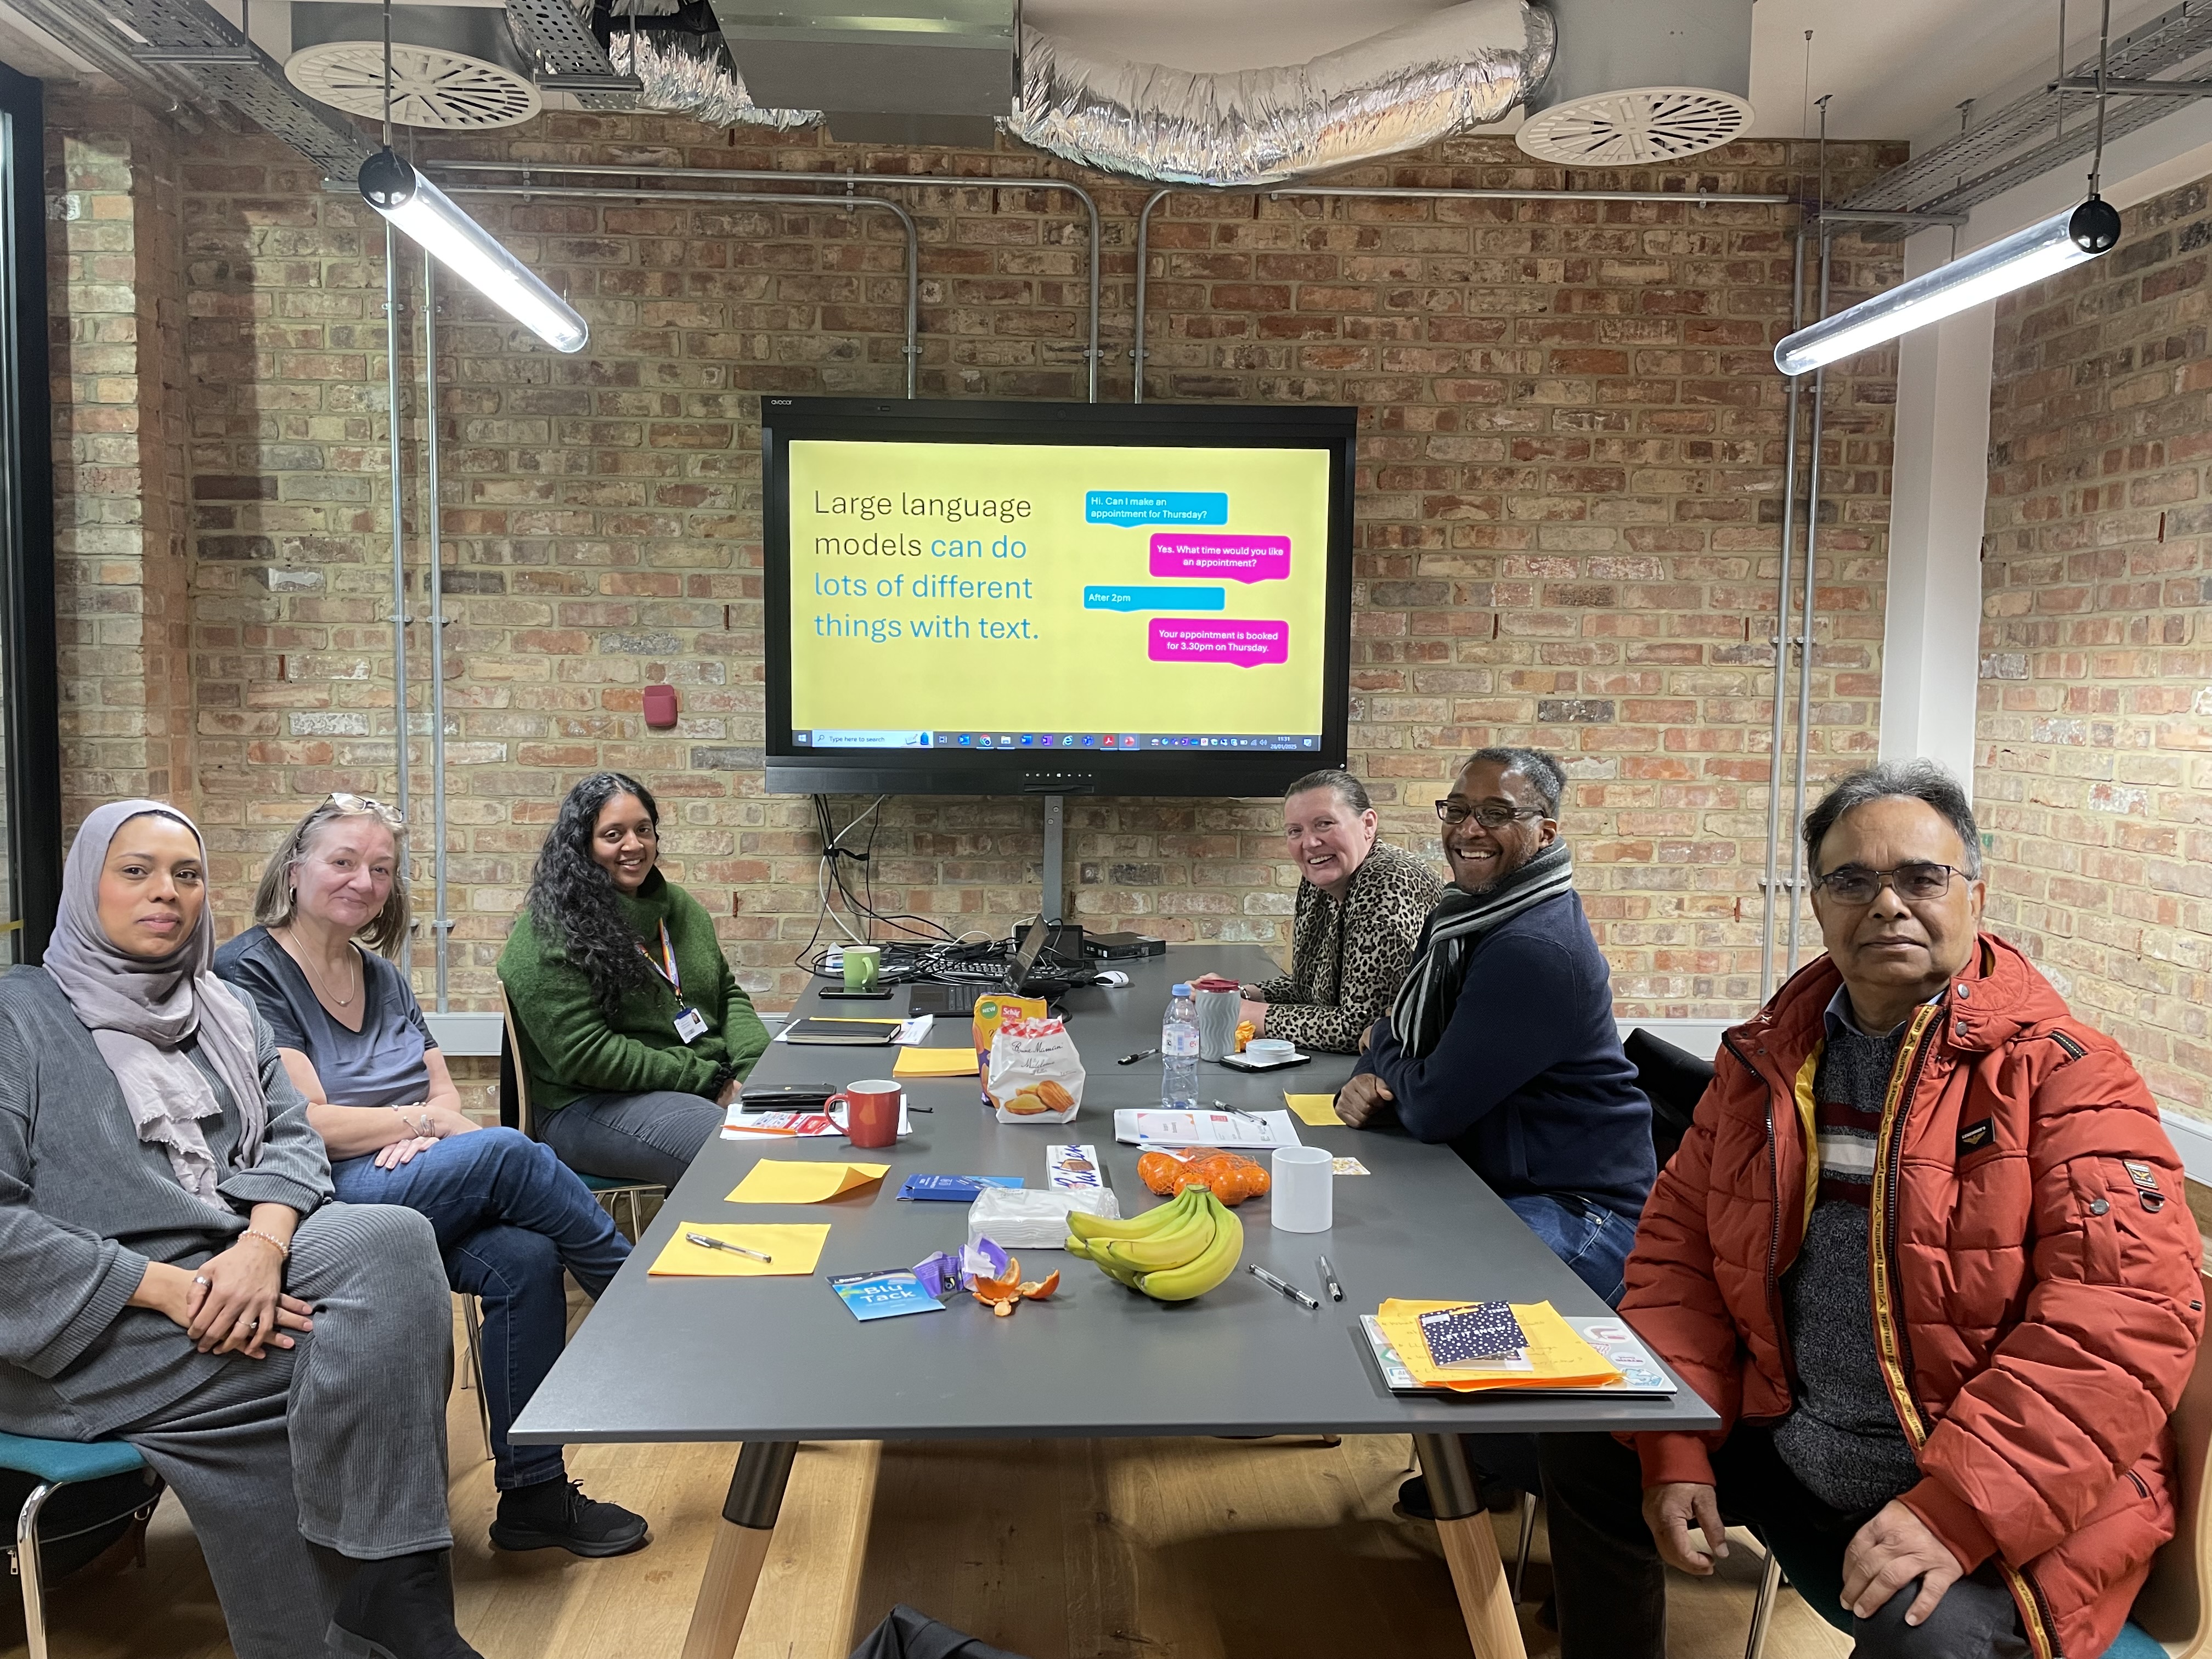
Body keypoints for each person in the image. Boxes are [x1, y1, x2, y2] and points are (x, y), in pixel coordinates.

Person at [1538, 761, 2204, 1659]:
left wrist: (1955, 1509)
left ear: (1975, 896)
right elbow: (1678, 1254)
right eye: (1851, 880)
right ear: (1817, 904)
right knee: (1586, 1438)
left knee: (1921, 1634)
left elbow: (2121, 1325)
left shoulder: (2070, 1077)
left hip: (1994, 1492)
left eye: (1922, 877)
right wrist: (1673, 1442)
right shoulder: (1766, 1062)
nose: (1887, 904)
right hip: (1793, 1440)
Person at [0, 801, 477, 1659]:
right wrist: (170, 1290)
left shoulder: (222, 1007)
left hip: (231, 1268)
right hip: (83, 1328)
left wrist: (261, 1248)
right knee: (353, 1357)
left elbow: (293, 1135)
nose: (167, 892)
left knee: (397, 1240)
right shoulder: (17, 1017)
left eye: (186, 875)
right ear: (85, 885)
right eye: (135, 871)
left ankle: (394, 1589)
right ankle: (358, 1624)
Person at [216, 793, 647, 1558]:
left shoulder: (381, 975)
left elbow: (446, 1095)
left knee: (526, 1257)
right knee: (507, 1152)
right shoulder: (249, 972)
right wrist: (419, 1125)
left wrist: (425, 1127)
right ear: (294, 871)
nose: (364, 881)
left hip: (410, 1177)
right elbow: (308, 1123)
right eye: (343, 862)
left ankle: (533, 1496)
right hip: (317, 1197)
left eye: (381, 869)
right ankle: (639, 1306)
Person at [1335, 747, 1654, 1296]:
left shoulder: (1535, 947)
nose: (1469, 829)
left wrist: (1380, 1042)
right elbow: (1411, 1038)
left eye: (1496, 813)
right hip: (1491, 1174)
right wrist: (1370, 1072)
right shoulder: (1460, 916)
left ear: (1545, 834)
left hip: (1582, 1213)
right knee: (1351, 1239)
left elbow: (1431, 1105)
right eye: (1458, 810)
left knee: (1406, 1288)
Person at [499, 772, 770, 1187]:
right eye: (613, 835)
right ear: (582, 845)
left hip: (696, 1083)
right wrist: (710, 1082)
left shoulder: (679, 909)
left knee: (799, 1125)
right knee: (736, 1147)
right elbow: (587, 1055)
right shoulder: (548, 933)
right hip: (589, 1104)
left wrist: (756, 1072)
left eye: (643, 830)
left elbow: (726, 995)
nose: (634, 845)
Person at [1235, 769, 1442, 1054]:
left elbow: (1362, 1027)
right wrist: (1238, 995)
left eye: (1324, 824)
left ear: (1368, 824)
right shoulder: (1322, 879)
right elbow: (1309, 990)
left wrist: (1245, 1015)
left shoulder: (1388, 881)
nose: (1309, 843)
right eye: (1295, 831)